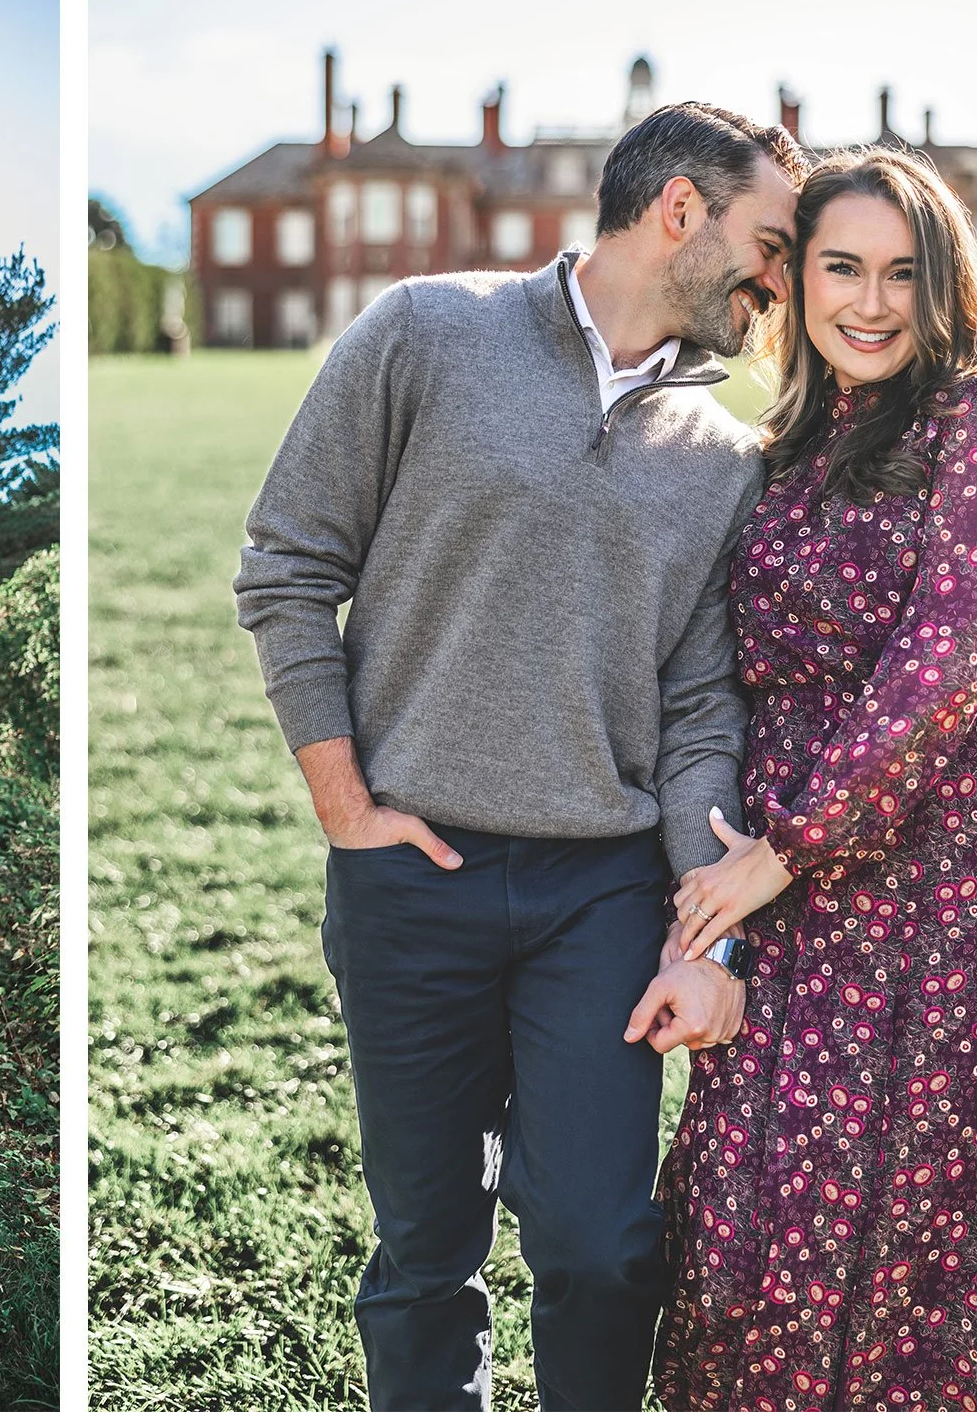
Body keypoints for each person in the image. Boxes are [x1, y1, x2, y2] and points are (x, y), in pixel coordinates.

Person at [234, 102, 807, 1411]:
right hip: (409, 877)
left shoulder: (725, 461)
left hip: (599, 894)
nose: (777, 282)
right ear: (679, 210)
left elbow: (700, 711)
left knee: (603, 1248)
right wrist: (346, 807)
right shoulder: (423, 332)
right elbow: (285, 569)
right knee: (425, 1253)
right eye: (770, 244)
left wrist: (703, 939)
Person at [652, 148, 977, 1410]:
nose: (871, 303)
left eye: (901, 272)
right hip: (780, 882)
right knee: (746, 1215)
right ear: (794, 279)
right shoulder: (781, 443)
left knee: (913, 1241)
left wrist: (786, 846)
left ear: (941, 284)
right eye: (841, 267)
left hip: (948, 875)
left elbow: (948, 654)